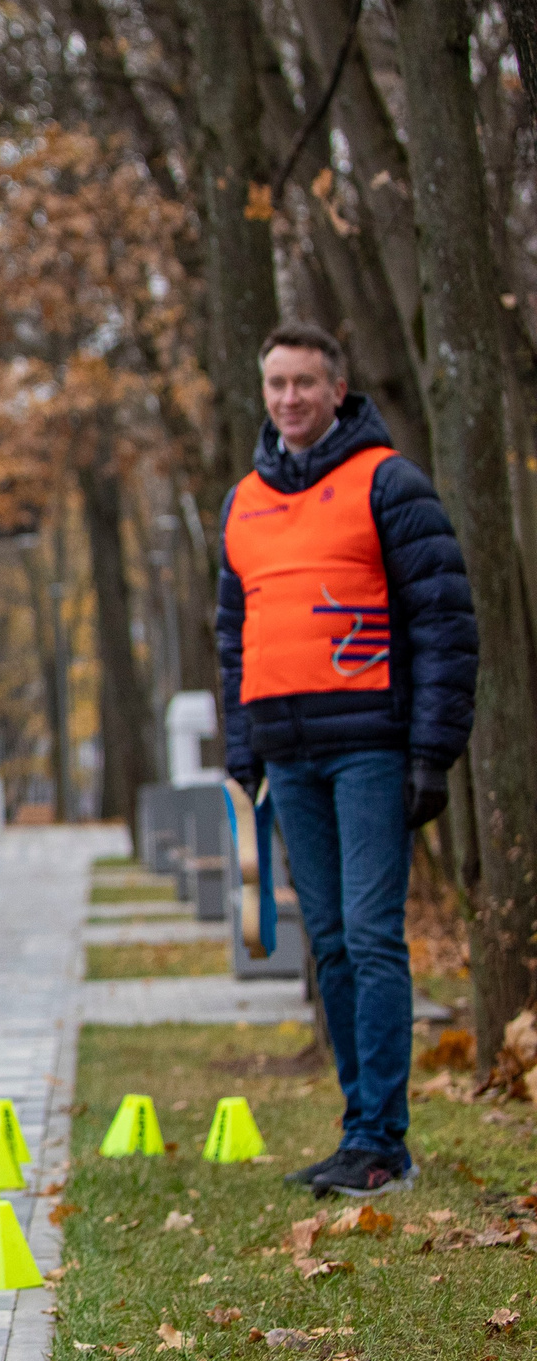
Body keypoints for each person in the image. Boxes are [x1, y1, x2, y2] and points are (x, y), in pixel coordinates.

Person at [216, 322, 478, 1200]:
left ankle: (384, 1142)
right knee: (326, 942)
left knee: (371, 938)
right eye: (276, 382)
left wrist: (432, 752)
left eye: (305, 382)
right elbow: (233, 631)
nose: (289, 398)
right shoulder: (242, 501)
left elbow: (445, 621)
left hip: (372, 747)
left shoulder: (387, 483)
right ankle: (357, 1127)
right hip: (288, 757)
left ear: (337, 389)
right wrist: (242, 744)